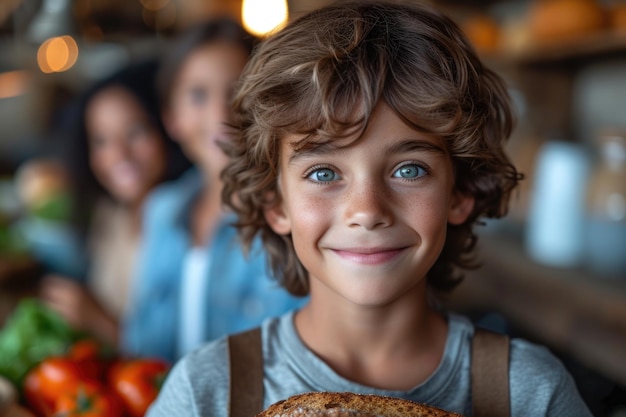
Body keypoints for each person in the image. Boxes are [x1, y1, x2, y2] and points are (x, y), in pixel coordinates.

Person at [146, 2, 593, 416]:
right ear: (275, 202)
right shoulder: (206, 391)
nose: (367, 211)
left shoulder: (531, 394)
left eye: (410, 169)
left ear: (461, 192)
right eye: (323, 174)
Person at [122, 18, 306, 362]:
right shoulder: (160, 211)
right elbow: (139, 341)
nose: (221, 113)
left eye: (237, 90)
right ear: (171, 118)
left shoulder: (292, 217)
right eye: (197, 95)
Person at [39, 59, 190, 347]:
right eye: (102, 141)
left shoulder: (184, 223)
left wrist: (98, 319)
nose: (119, 154)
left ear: (165, 126)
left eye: (135, 132)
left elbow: (183, 354)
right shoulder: (110, 215)